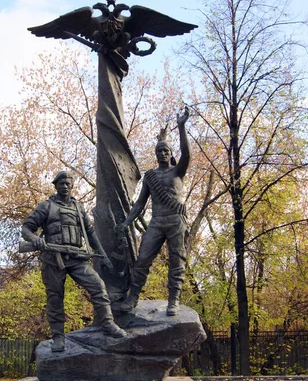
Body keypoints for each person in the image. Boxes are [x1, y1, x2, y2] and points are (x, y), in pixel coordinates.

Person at [22, 171, 126, 352]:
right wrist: (35, 240)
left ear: (72, 186)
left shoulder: (79, 208)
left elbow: (90, 232)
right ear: (55, 186)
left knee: (98, 287)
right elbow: (26, 228)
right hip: (53, 260)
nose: (64, 186)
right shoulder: (46, 207)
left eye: (68, 183)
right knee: (55, 299)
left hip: (77, 258)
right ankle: (58, 337)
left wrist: (103, 255)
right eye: (61, 183)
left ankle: (108, 324)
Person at [117, 107, 191, 316]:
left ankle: (173, 300)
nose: (162, 154)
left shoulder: (178, 171)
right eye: (159, 151)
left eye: (166, 150)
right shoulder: (150, 177)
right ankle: (132, 298)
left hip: (176, 220)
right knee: (142, 259)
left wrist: (182, 126)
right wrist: (127, 222)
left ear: (170, 153)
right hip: (157, 221)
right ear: (155, 154)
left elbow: (186, 152)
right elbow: (140, 204)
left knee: (177, 260)